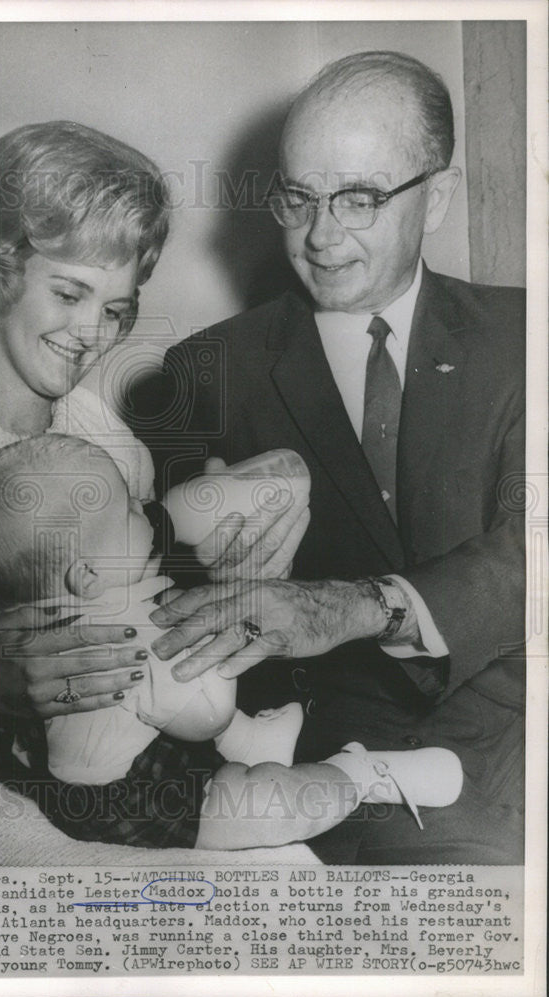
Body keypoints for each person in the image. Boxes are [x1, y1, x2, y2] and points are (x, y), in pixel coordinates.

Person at [0, 120, 309, 867]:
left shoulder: (113, 442)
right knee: (99, 907)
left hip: (130, 758)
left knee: (270, 876)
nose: (93, 332)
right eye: (69, 292)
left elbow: (147, 610)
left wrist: (238, 569)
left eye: (116, 308)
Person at [129, 51, 526, 863]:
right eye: (298, 199)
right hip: (354, 767)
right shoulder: (207, 372)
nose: (320, 236)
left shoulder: (529, 338)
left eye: (359, 198)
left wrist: (348, 606)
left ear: (438, 196)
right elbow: (164, 603)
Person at [0, 433, 463, 850]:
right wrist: (224, 633)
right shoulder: (130, 641)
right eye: (130, 510)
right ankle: (360, 775)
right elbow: (204, 719)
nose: (145, 506)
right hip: (118, 795)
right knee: (266, 807)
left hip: (84, 746)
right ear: (87, 576)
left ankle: (253, 742)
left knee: (167, 698)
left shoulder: (33, 605)